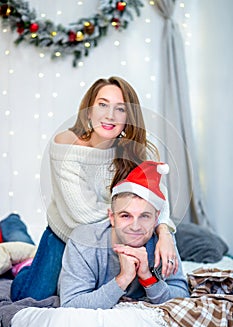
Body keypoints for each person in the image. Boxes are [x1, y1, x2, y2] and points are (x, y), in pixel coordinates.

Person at [11, 77, 177, 301]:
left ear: (128, 117)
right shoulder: (67, 146)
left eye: (120, 109)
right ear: (88, 111)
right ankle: (21, 255)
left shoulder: (132, 151)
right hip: (66, 235)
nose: (110, 115)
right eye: (102, 105)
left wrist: (163, 231)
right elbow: (84, 214)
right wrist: (138, 215)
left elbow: (158, 194)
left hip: (110, 236)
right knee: (31, 297)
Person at [59, 161, 189, 309]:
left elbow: (182, 295)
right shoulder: (84, 242)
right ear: (112, 217)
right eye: (125, 216)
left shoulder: (163, 243)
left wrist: (147, 277)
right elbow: (71, 304)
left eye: (144, 216)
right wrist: (123, 278)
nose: (135, 227)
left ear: (156, 219)